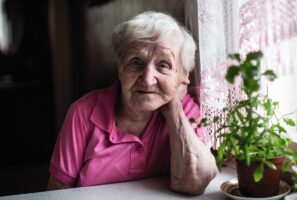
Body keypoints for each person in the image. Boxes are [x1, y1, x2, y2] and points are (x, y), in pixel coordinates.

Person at [47, 11, 217, 195]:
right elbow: (57, 192)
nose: (147, 79)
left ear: (183, 76)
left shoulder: (186, 110)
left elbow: (194, 183)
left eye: (163, 65)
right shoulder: (83, 113)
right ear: (120, 69)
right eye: (136, 62)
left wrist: (173, 109)